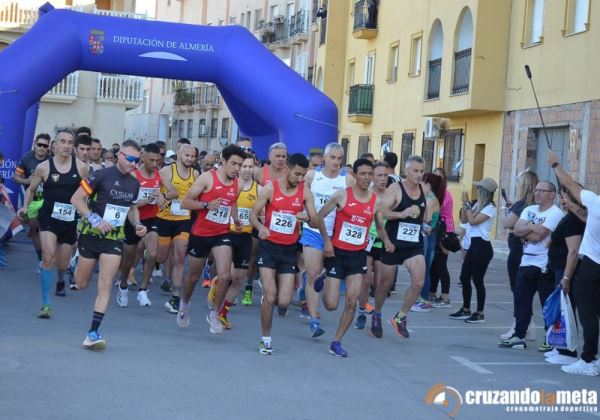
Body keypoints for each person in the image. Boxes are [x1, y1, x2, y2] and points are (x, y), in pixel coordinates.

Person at [71, 140, 146, 350]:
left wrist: (138, 224)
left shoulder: (134, 183)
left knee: (105, 285)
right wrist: (93, 218)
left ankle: (92, 333)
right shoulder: (101, 175)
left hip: (113, 238)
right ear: (120, 156)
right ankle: (74, 264)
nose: (134, 163)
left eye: (137, 160)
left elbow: (132, 209)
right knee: (82, 283)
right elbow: (76, 199)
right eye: (131, 159)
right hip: (91, 235)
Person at [250, 153, 319, 355]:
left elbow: (315, 220)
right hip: (269, 247)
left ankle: (273, 295)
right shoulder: (271, 188)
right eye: (297, 174)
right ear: (287, 169)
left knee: (283, 301)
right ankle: (265, 338)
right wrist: (260, 227)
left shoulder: (305, 192)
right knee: (270, 296)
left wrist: (306, 217)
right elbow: (254, 214)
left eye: (303, 175)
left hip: (289, 250)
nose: (300, 179)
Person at [175, 145, 246, 333]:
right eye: (234, 164)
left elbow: (232, 202)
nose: (237, 169)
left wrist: (235, 218)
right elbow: (185, 202)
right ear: (223, 161)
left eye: (240, 165)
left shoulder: (238, 183)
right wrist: (206, 204)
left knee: (224, 276)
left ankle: (214, 314)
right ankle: (184, 303)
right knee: (193, 276)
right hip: (201, 233)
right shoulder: (207, 178)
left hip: (221, 233)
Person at [318, 158, 385, 356]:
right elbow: (320, 216)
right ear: (354, 175)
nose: (366, 178)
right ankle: (321, 278)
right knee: (331, 305)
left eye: (369, 174)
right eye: (363, 174)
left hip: (358, 256)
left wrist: (388, 241)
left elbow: (380, 226)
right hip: (337, 253)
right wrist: (327, 242)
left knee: (352, 300)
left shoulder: (375, 201)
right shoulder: (341, 195)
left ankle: (336, 342)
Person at [17, 130, 88, 317]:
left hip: (69, 220)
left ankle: (60, 279)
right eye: (62, 141)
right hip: (48, 218)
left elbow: (86, 195)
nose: (66, 145)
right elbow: (30, 190)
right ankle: (46, 304)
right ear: (54, 145)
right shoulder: (43, 167)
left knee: (62, 263)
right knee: (48, 257)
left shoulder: (81, 168)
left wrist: (85, 217)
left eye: (69, 142)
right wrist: (25, 207)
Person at [548, 151, 600, 376]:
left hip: (590, 267)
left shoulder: (596, 202)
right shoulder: (594, 207)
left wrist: (555, 164)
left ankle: (588, 359)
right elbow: (586, 217)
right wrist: (569, 203)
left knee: (588, 314)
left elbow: (568, 182)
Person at [498, 181, 563, 349]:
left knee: (547, 304)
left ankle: (550, 339)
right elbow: (516, 229)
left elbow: (538, 237)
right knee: (521, 301)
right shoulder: (529, 209)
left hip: (544, 265)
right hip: (526, 261)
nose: (538, 193)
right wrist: (533, 228)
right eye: (536, 190)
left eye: (542, 190)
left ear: (552, 194)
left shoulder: (556, 213)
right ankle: (519, 336)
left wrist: (526, 231)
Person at [300, 142, 353, 338]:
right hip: (312, 230)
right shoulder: (313, 176)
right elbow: (301, 197)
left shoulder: (347, 181)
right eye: (332, 158)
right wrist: (304, 212)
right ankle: (314, 320)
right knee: (312, 271)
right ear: (324, 157)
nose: (336, 162)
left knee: (331, 303)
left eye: (340, 159)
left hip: (336, 234)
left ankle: (316, 278)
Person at [116, 143, 176, 308]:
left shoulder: (158, 175)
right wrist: (148, 200)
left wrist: (163, 195)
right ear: (142, 157)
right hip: (134, 220)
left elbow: (174, 192)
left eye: (158, 160)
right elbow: (128, 204)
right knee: (129, 257)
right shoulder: (134, 176)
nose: (155, 164)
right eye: (151, 160)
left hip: (152, 220)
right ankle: (123, 286)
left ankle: (143, 290)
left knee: (153, 254)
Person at [373, 156, 427, 339]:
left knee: (419, 282)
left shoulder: (424, 189)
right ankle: (377, 313)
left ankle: (400, 317)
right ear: (406, 171)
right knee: (384, 285)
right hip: (393, 244)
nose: (419, 175)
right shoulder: (395, 188)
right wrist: (401, 213)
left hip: (413, 244)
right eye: (415, 171)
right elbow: (381, 212)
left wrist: (426, 223)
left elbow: (425, 213)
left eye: (421, 171)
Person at [155, 144, 199, 314]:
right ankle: (151, 257)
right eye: (187, 155)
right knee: (161, 256)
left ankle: (175, 295)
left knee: (180, 255)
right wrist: (160, 196)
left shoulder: (195, 174)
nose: (189, 159)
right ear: (180, 155)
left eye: (192, 156)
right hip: (164, 218)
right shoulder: (166, 171)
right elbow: (155, 188)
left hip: (184, 219)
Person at [545, 187, 586, 365]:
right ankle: (561, 347)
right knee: (563, 310)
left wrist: (566, 278)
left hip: (566, 271)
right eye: (561, 196)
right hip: (559, 269)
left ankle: (568, 352)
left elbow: (574, 251)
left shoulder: (573, 220)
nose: (562, 199)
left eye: (566, 196)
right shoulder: (568, 217)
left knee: (567, 311)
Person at [449, 178, 498, 323]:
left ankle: (480, 312)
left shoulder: (490, 208)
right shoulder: (477, 205)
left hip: (483, 246)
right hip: (473, 245)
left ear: (484, 191)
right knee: (464, 277)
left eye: (479, 188)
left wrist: (467, 205)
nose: (477, 190)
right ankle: (466, 308)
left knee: (477, 280)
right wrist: (466, 205)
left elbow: (474, 221)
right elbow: (464, 220)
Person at [499, 170, 539, 340]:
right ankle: (529, 325)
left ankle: (518, 326)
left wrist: (504, 211)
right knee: (525, 292)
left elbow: (507, 224)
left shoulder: (521, 204)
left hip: (517, 252)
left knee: (518, 291)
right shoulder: (534, 205)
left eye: (519, 182)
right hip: (530, 252)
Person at [355, 161, 388, 329]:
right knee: (366, 279)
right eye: (379, 176)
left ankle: (377, 313)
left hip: (383, 241)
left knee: (381, 281)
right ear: (373, 177)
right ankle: (361, 311)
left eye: (386, 175)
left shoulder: (392, 195)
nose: (383, 179)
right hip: (367, 240)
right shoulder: (367, 194)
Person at [13, 133, 50, 272]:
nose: (41, 148)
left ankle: (48, 258)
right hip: (32, 200)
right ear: (34, 144)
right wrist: (28, 181)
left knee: (47, 230)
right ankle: (41, 259)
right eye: (39, 144)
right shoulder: (26, 159)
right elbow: (16, 177)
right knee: (35, 230)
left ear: (48, 147)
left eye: (45, 145)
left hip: (47, 199)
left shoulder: (52, 160)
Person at [411, 173, 443, 312]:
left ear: (428, 185)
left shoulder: (430, 200)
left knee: (423, 270)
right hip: (428, 236)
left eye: (422, 182)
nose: (420, 185)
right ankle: (421, 298)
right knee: (422, 269)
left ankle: (424, 300)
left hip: (427, 237)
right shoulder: (429, 198)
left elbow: (427, 223)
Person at [430, 168, 455, 307]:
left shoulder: (444, 194)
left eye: (439, 177)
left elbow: (436, 210)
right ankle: (432, 293)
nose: (437, 180)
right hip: (437, 231)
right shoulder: (435, 194)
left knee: (441, 264)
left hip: (445, 232)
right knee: (434, 266)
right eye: (435, 177)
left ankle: (445, 297)